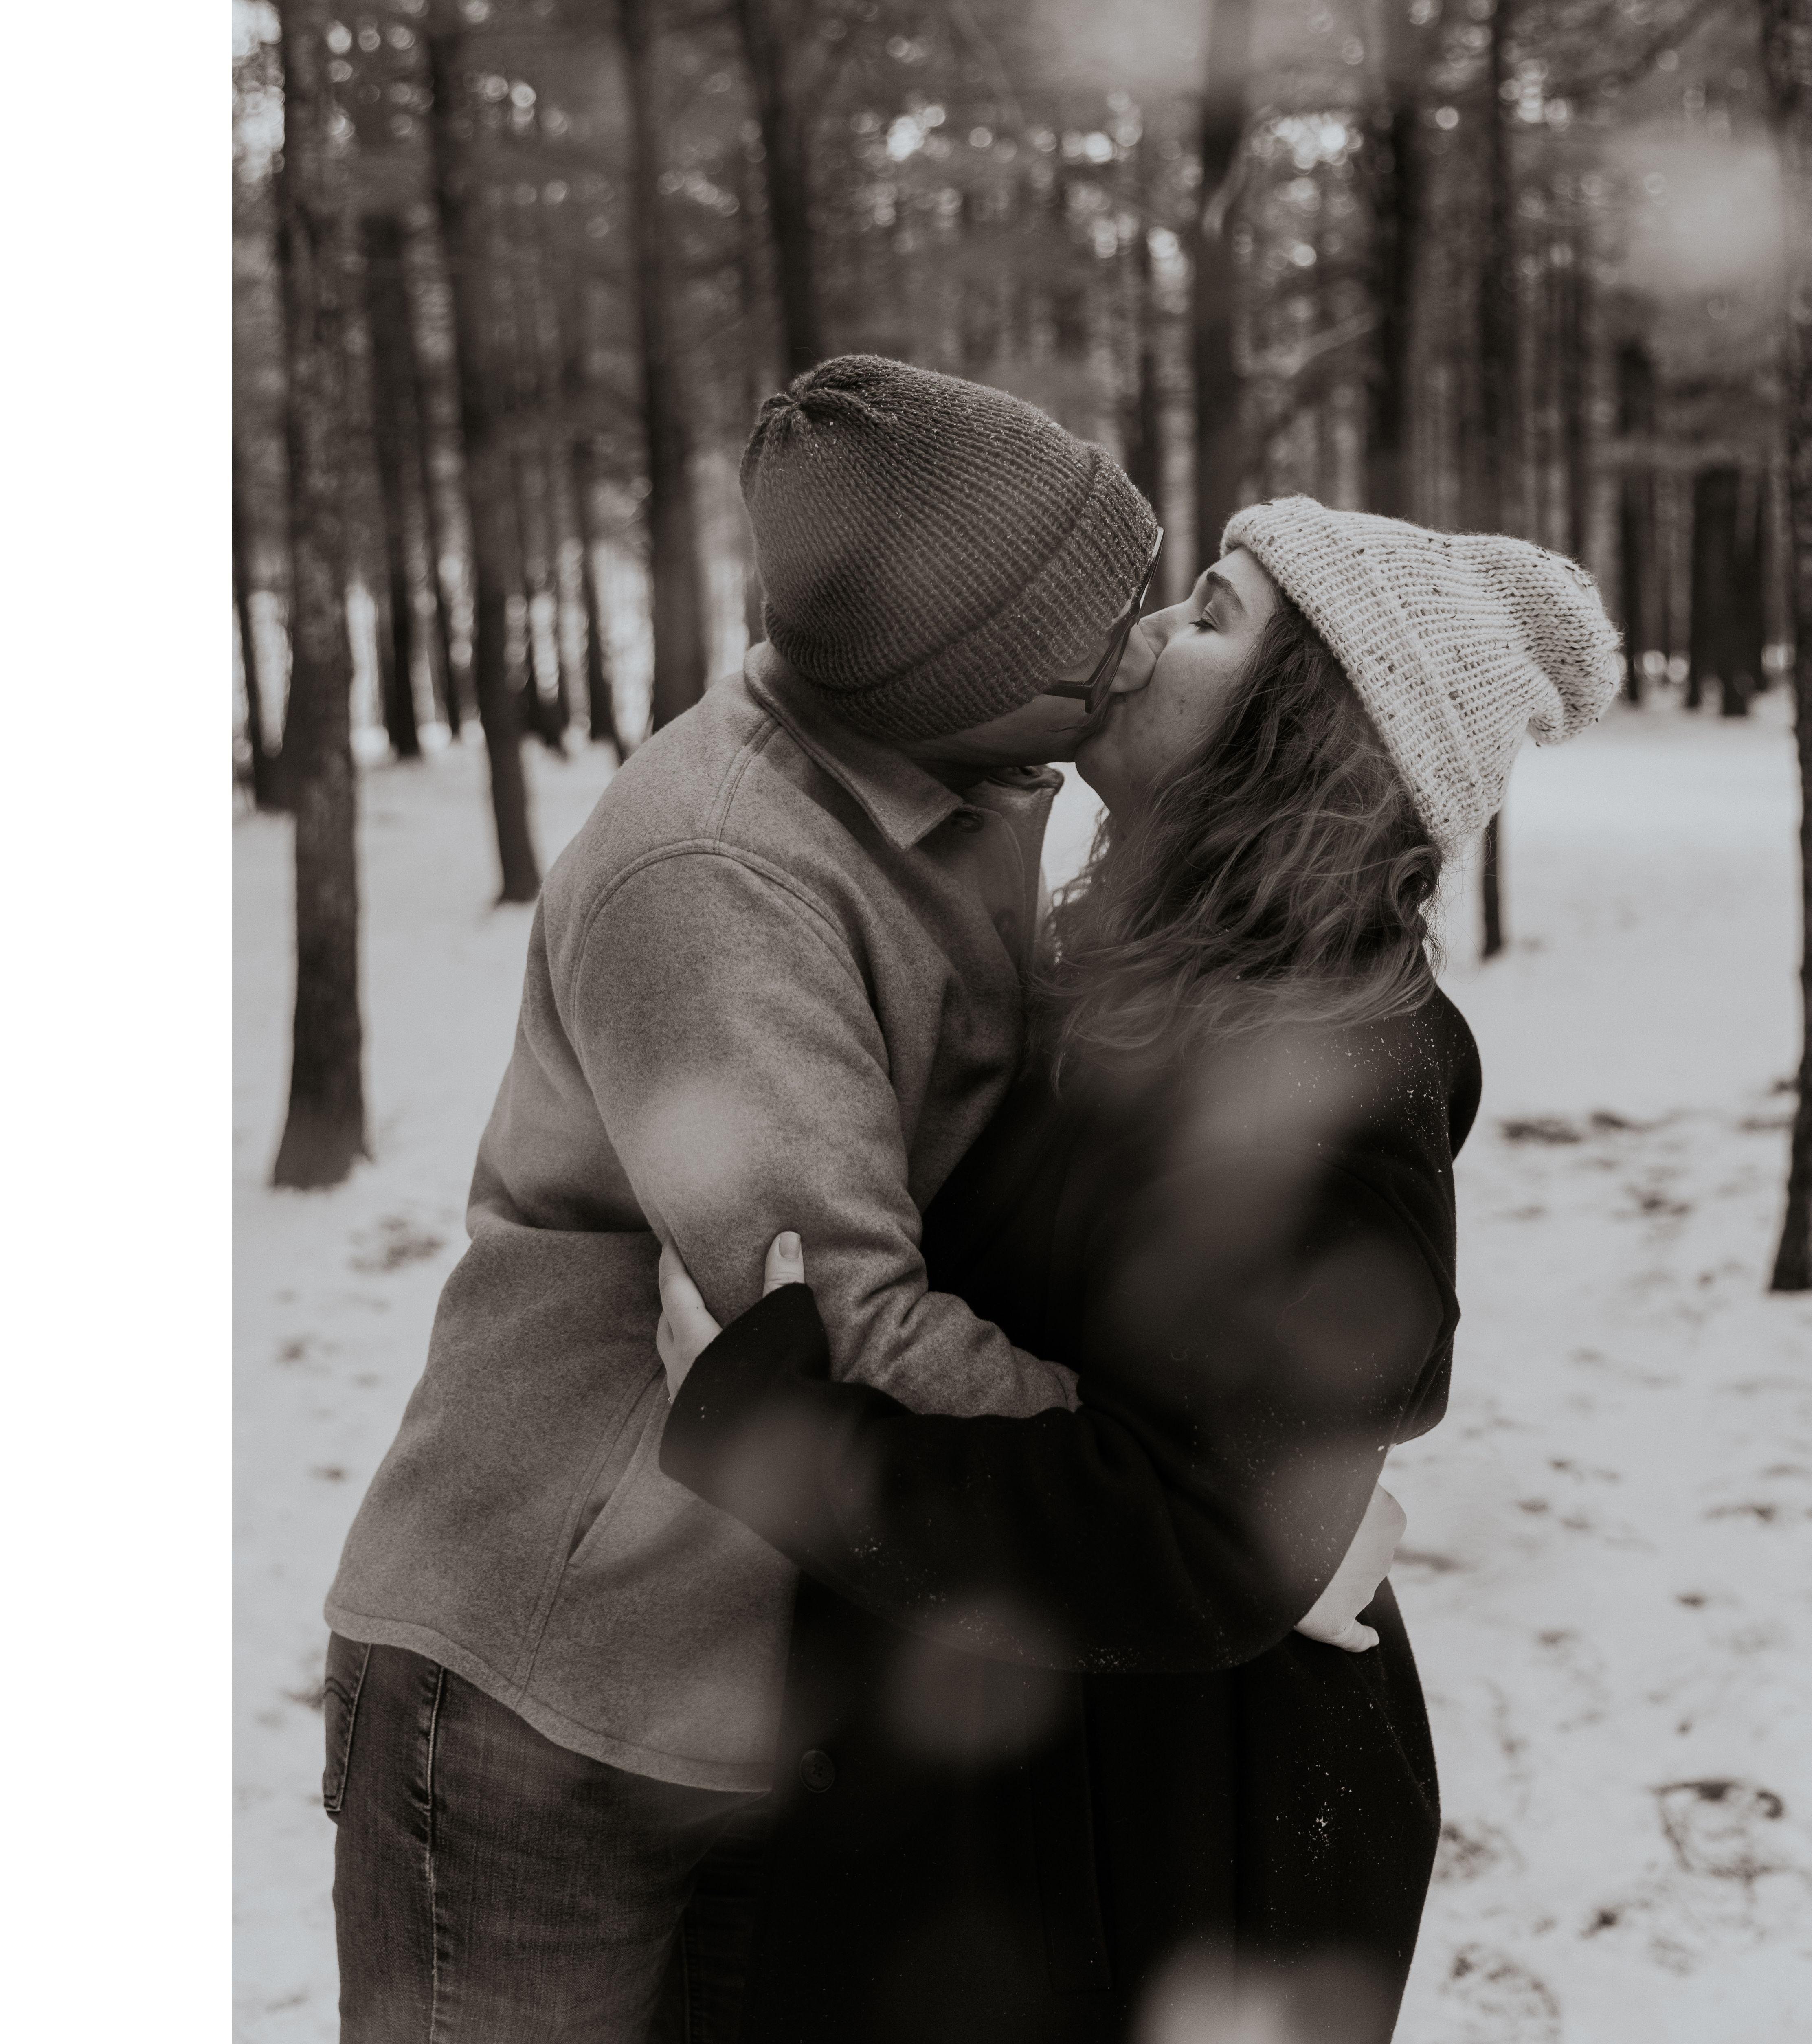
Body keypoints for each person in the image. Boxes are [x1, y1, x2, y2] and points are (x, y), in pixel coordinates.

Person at [652, 498, 1621, 2044]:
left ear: (1301, 734)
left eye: (1211, 616)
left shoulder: (1327, 1088)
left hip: (1175, 1871)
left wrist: (782, 1432)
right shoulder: (1155, 993)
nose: (1148, 632)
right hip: (1055, 1816)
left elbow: (1193, 1537)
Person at [318, 356, 1164, 2040]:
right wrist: (1189, 1513)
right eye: (1088, 656)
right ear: (939, 683)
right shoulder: (715, 872)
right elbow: (841, 1333)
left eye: (1139, 595)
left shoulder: (984, 779)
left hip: (787, 1681)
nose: (1135, 662)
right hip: (548, 1703)